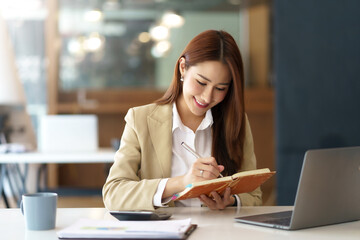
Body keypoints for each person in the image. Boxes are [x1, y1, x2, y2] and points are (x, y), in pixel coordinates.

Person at [103, 30, 262, 211]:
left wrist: (231, 201)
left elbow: (254, 196)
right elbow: (113, 193)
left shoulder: (235, 123)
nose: (207, 97)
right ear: (183, 67)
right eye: (201, 83)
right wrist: (182, 182)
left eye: (220, 88)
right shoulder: (140, 119)